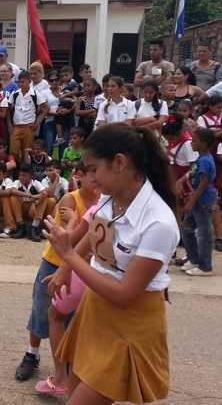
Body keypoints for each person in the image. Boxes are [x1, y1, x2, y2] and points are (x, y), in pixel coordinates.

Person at [43, 122, 179, 405]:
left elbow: (125, 295)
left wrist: (68, 257)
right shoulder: (111, 197)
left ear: (119, 163)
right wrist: (67, 268)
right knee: (74, 389)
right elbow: (96, 234)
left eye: (93, 169)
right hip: (96, 309)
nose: (89, 178)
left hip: (130, 321)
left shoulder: (159, 222)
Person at [32, 161, 99, 395]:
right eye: (91, 173)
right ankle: (35, 356)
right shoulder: (76, 200)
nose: (95, 179)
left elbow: (71, 241)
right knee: (44, 313)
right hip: (64, 264)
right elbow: (70, 241)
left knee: (59, 317)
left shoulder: (102, 205)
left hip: (81, 269)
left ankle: (65, 376)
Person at [180, 128, 216, 277]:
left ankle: (205, 266)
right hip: (196, 200)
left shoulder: (206, 160)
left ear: (205, 144)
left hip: (203, 201)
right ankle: (193, 258)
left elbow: (203, 183)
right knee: (187, 229)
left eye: (195, 141)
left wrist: (191, 201)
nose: (192, 143)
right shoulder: (200, 159)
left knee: (204, 233)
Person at [7, 71, 46, 161]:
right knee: (14, 151)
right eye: (19, 82)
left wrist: (37, 122)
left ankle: (26, 171)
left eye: (23, 82)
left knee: (27, 152)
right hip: (16, 127)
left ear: (29, 81)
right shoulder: (15, 94)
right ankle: (16, 170)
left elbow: (46, 107)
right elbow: (8, 110)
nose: (20, 84)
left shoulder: (35, 94)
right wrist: (9, 124)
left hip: (29, 127)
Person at [8, 165, 48, 241]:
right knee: (13, 197)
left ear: (31, 176)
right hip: (20, 209)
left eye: (24, 176)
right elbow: (12, 191)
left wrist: (36, 199)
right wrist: (31, 196)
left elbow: (44, 193)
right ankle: (21, 226)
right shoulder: (17, 182)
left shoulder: (36, 183)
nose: (21, 177)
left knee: (45, 198)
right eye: (20, 175)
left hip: (32, 209)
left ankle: (34, 227)